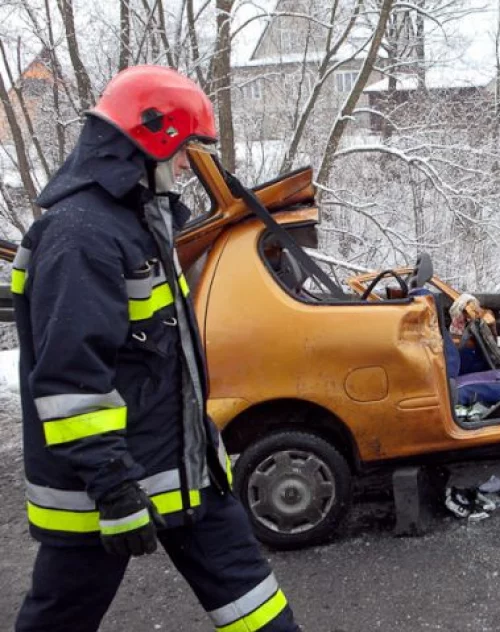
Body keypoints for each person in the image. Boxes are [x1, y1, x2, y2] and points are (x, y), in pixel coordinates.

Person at [12, 65, 300, 632]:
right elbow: (71, 386)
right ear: (151, 141)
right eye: (184, 150)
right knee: (60, 619)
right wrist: (115, 489)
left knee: (261, 614)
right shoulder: (81, 236)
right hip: (107, 491)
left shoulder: (139, 226)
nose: (185, 166)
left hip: (185, 474)